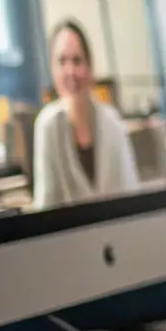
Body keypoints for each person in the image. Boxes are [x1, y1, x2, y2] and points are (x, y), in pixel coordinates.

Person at [30, 19, 142, 210]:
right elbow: (46, 205)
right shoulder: (47, 125)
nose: (70, 71)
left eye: (77, 61)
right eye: (61, 61)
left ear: (90, 67)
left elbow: (131, 190)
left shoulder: (112, 121)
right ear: (52, 70)